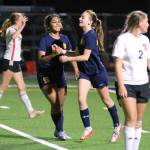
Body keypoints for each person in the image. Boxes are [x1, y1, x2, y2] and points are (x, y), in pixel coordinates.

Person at [59, 9, 121, 142]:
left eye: (83, 17)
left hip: (97, 72)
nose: (80, 19)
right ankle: (88, 128)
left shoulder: (91, 35)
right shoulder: (83, 35)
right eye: (80, 16)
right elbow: (76, 52)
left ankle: (117, 126)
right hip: (85, 73)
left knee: (106, 100)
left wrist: (67, 59)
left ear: (90, 22)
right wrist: (63, 51)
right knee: (81, 99)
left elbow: (86, 57)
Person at [36, 13, 79, 140]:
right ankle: (60, 131)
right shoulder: (45, 39)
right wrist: (54, 54)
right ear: (49, 25)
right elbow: (41, 60)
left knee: (60, 105)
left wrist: (76, 68)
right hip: (46, 75)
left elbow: (70, 54)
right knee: (55, 103)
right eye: (54, 22)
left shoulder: (65, 38)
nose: (58, 24)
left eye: (59, 21)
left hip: (60, 75)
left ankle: (58, 130)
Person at [112, 10, 150, 150]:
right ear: (139, 23)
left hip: (143, 84)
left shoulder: (145, 40)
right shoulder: (123, 39)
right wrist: (121, 85)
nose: (148, 24)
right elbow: (117, 63)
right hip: (127, 84)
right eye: (146, 21)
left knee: (139, 121)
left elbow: (148, 62)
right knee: (131, 118)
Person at [0, 12, 44, 118]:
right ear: (16, 20)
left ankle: (31, 111)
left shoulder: (16, 29)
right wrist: (23, 25)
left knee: (22, 87)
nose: (23, 19)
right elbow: (14, 36)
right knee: (4, 86)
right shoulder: (11, 29)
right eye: (21, 18)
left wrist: (22, 25)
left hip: (16, 61)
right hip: (9, 61)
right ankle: (31, 111)